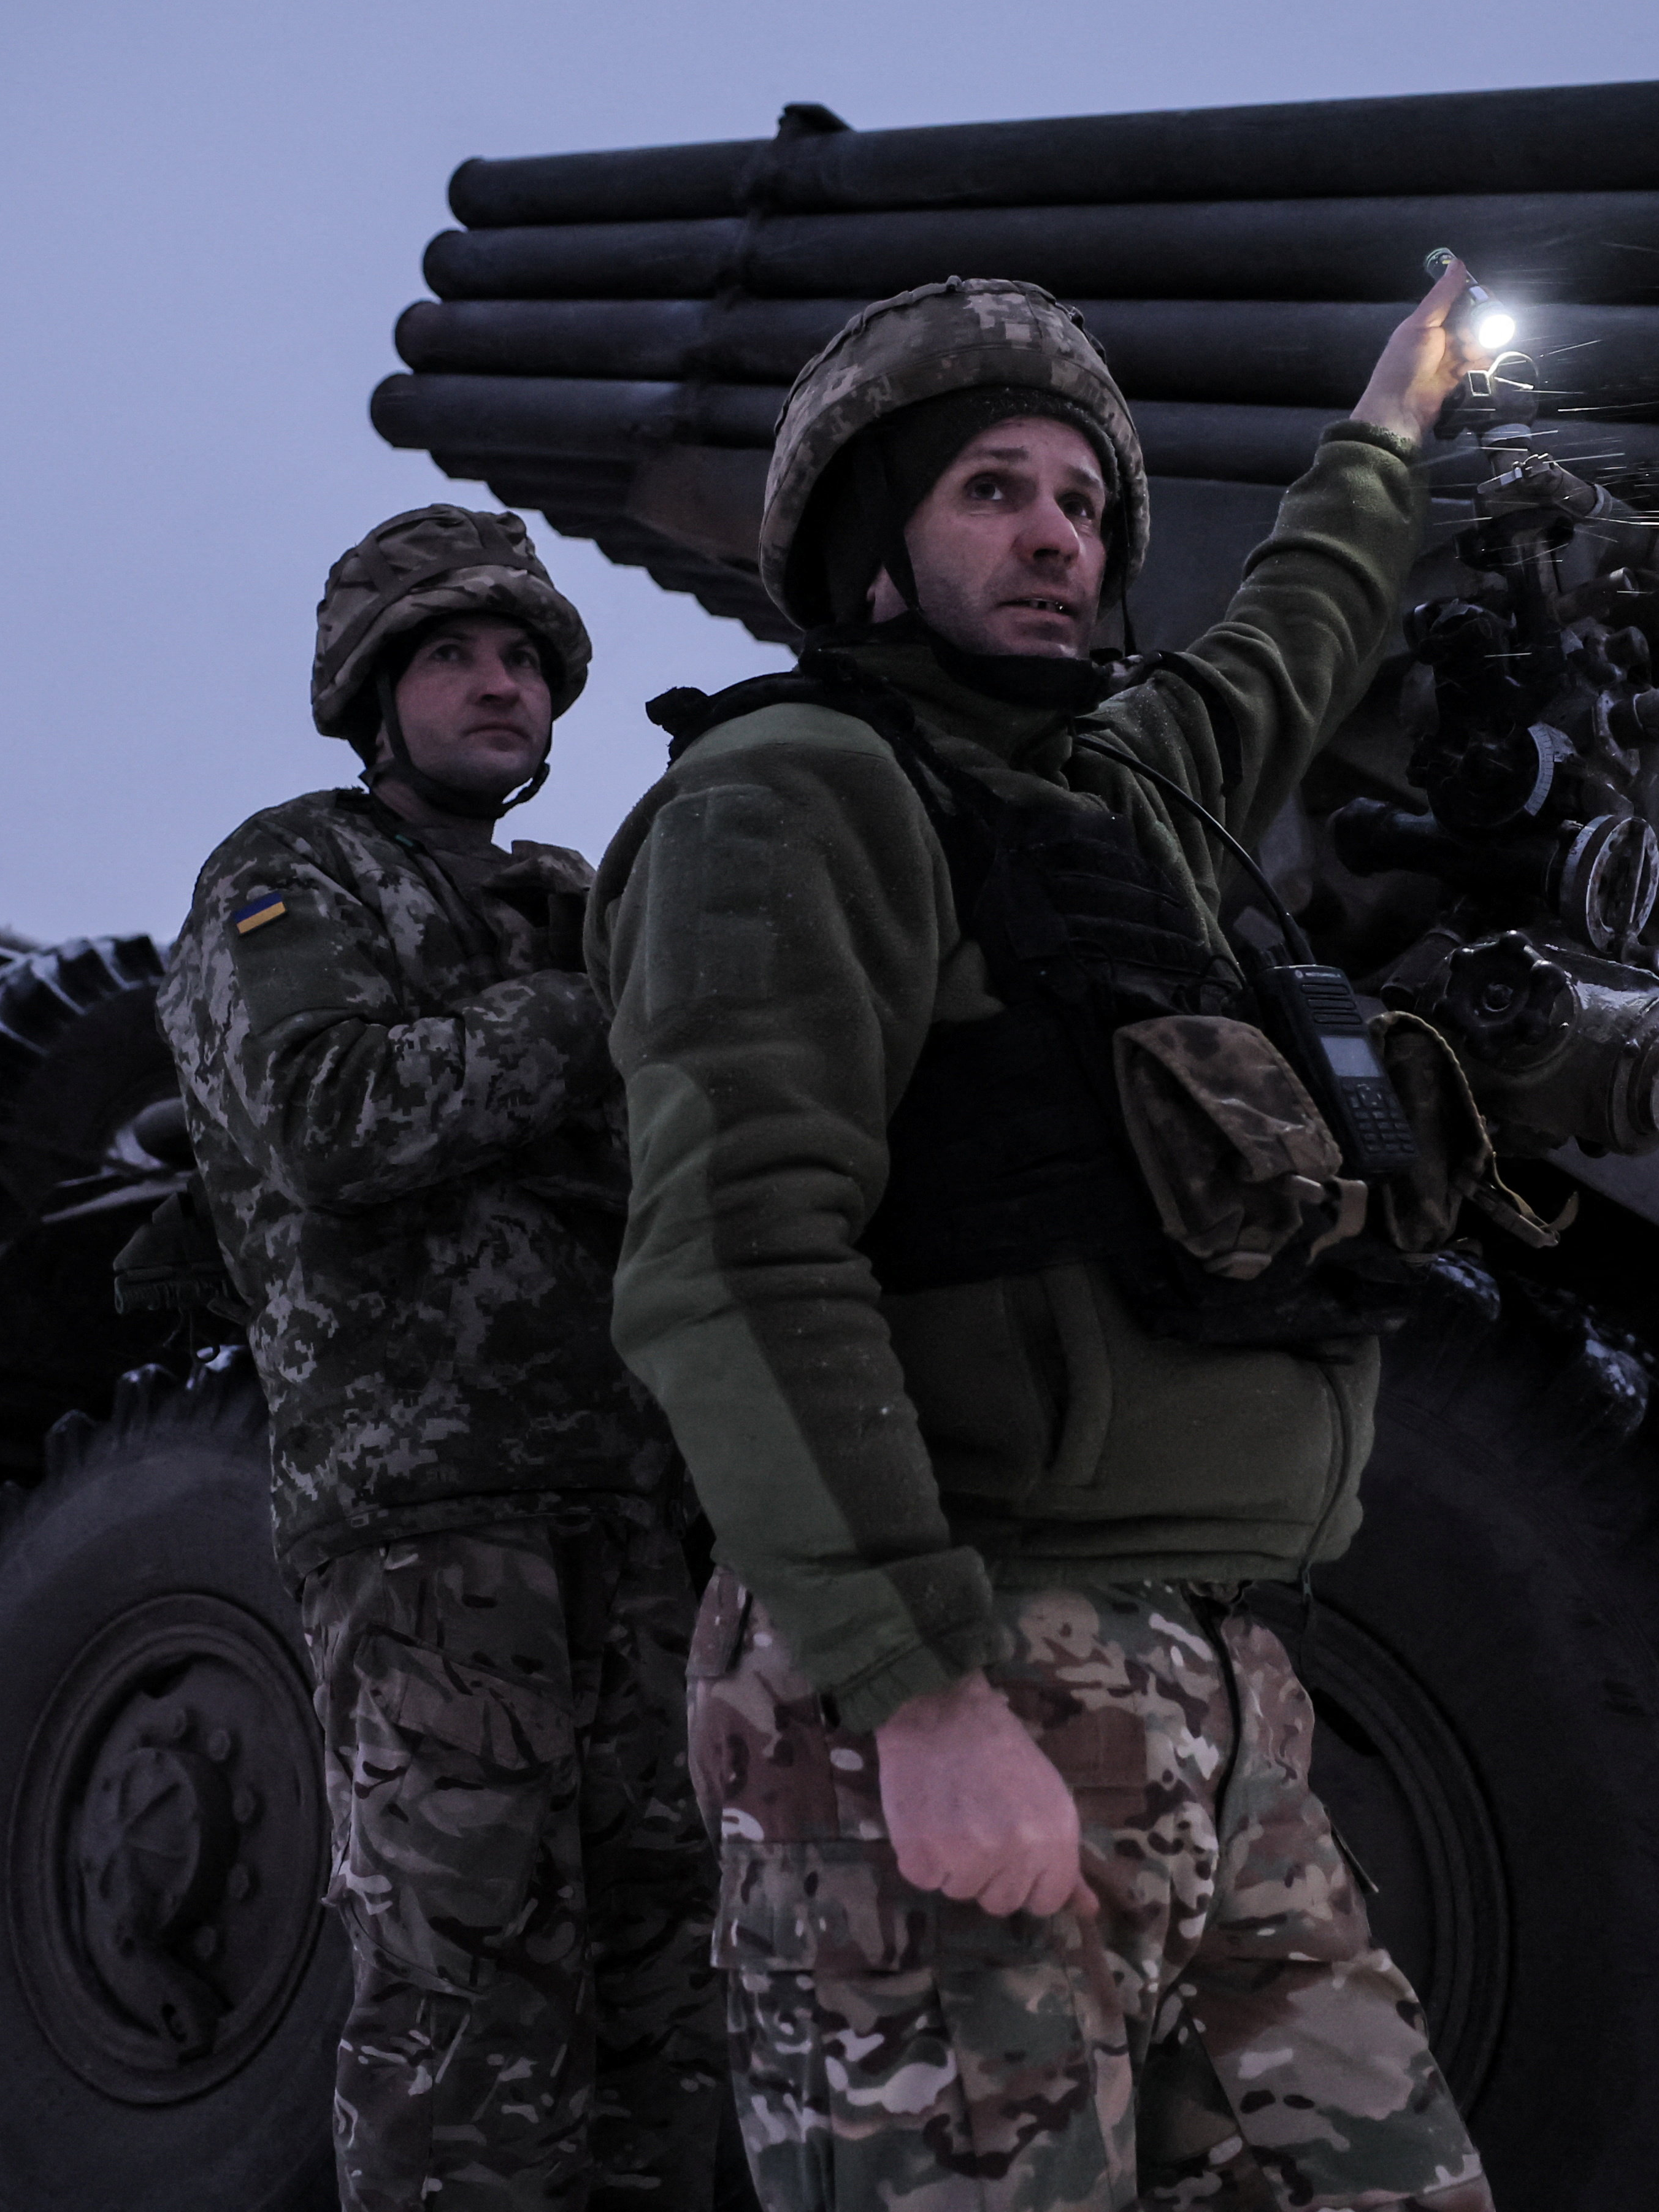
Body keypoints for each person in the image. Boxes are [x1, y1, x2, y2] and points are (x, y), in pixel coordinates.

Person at [588, 271, 1498, 2210]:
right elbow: (736, 1249)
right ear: (873, 550)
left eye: (1082, 503)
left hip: (1214, 1691)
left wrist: (1387, 427)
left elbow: (1295, 632)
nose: (1057, 537)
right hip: (961, 1667)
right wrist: (914, 1692)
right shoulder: (791, 794)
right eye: (992, 489)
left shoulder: (1129, 801)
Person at [157, 505, 721, 2212]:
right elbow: (327, 1114)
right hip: (428, 1524)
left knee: (665, 1977)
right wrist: (592, 1012)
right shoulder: (289, 876)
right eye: (456, 654)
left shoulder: (577, 898)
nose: (500, 685)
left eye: (525, 660)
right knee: (465, 1990)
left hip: (635, 1510)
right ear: (370, 691)